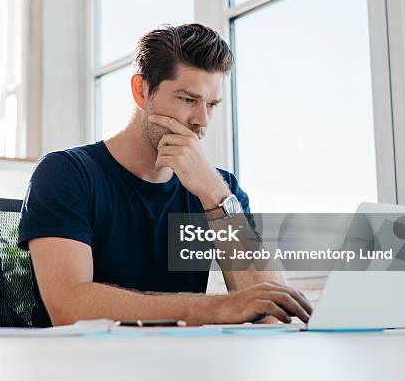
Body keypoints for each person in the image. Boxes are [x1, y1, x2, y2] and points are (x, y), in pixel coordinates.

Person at [18, 23, 312, 326]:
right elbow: (68, 307)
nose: (202, 120)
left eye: (211, 104)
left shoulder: (219, 189)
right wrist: (208, 308)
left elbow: (274, 314)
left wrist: (215, 196)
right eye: (188, 99)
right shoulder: (66, 173)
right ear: (141, 91)